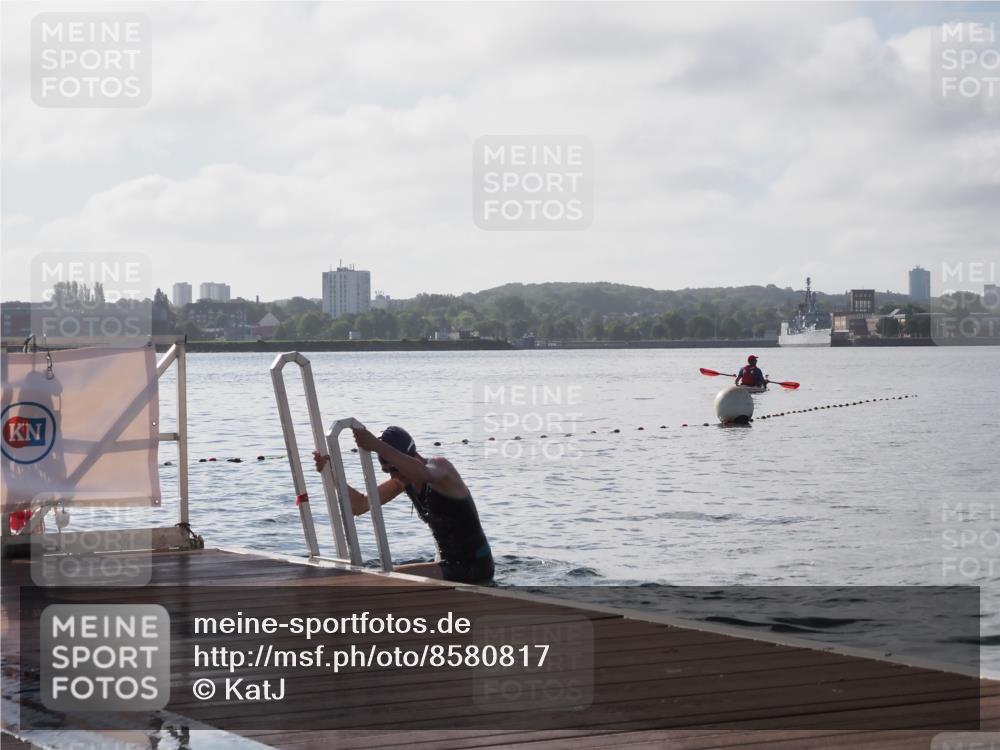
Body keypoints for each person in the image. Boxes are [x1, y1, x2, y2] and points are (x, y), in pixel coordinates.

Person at [313, 425, 494, 584]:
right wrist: (332, 472)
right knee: (381, 576)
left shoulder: (441, 468)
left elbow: (424, 473)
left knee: (385, 579)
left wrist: (376, 445)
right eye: (387, 471)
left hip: (475, 566)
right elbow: (359, 505)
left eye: (395, 468)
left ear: (410, 456)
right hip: (447, 564)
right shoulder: (403, 481)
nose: (394, 476)